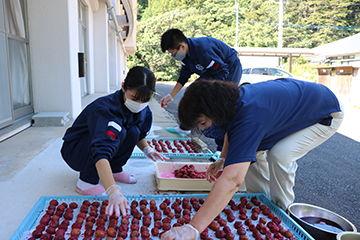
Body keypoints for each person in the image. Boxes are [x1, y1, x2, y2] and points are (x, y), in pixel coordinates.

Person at [161, 78, 344, 240]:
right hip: (298, 104)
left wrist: (194, 227)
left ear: (214, 110)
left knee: (280, 155)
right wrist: (223, 158)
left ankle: (283, 215)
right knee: (252, 154)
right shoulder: (232, 102)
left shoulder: (249, 116)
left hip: (325, 113)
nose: (203, 130)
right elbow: (231, 132)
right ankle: (263, 205)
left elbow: (233, 179)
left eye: (203, 123)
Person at [61, 66, 169, 217]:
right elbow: (100, 149)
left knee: (132, 131)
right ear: (124, 87)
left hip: (98, 146)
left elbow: (138, 135)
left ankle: (114, 169)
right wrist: (112, 191)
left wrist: (148, 149)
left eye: (145, 99)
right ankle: (86, 182)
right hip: (77, 150)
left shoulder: (144, 110)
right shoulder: (106, 110)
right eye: (134, 98)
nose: (139, 103)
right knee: (115, 133)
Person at [159, 28, 243, 156]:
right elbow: (183, 76)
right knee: (191, 93)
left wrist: (213, 94)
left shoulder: (204, 52)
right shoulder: (186, 55)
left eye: (173, 53)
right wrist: (171, 95)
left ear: (182, 46)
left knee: (218, 106)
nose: (173, 56)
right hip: (213, 72)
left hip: (229, 69)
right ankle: (185, 128)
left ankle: (221, 149)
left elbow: (223, 71)